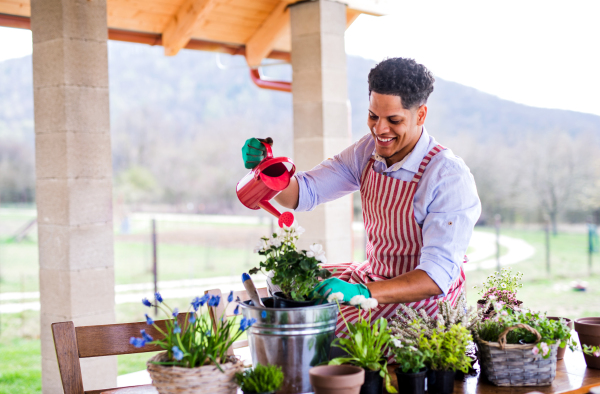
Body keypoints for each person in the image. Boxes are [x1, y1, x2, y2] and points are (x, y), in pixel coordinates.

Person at [241, 58, 481, 336]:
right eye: (373, 116)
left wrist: (360, 291)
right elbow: (302, 194)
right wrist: (267, 171)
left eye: (394, 120)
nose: (379, 130)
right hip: (371, 276)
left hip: (420, 304)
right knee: (288, 282)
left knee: (319, 331)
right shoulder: (367, 152)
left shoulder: (447, 177)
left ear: (421, 115)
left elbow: (434, 278)